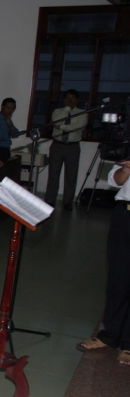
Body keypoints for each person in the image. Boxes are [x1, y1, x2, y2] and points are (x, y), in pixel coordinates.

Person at [77, 161, 130, 364]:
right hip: (124, 214)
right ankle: (109, 335)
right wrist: (126, 170)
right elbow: (115, 180)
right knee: (118, 277)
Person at [46, 89, 87, 210]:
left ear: (77, 100)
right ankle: (50, 200)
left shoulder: (82, 113)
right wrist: (66, 109)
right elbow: (55, 121)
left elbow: (78, 126)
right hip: (57, 145)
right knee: (53, 174)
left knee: (71, 176)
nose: (70, 100)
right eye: (67, 97)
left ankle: (67, 202)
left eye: (73, 97)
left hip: (72, 147)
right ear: (63, 100)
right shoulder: (58, 111)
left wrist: (61, 127)